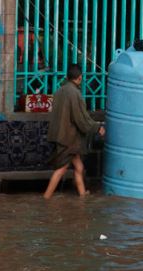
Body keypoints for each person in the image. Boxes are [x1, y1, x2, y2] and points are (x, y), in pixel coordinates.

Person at [43, 64, 105, 199]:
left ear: (67, 76)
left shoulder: (60, 91)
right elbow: (81, 118)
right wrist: (96, 127)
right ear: (80, 78)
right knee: (61, 169)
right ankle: (46, 198)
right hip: (69, 138)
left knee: (79, 167)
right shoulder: (75, 94)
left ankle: (83, 195)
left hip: (61, 136)